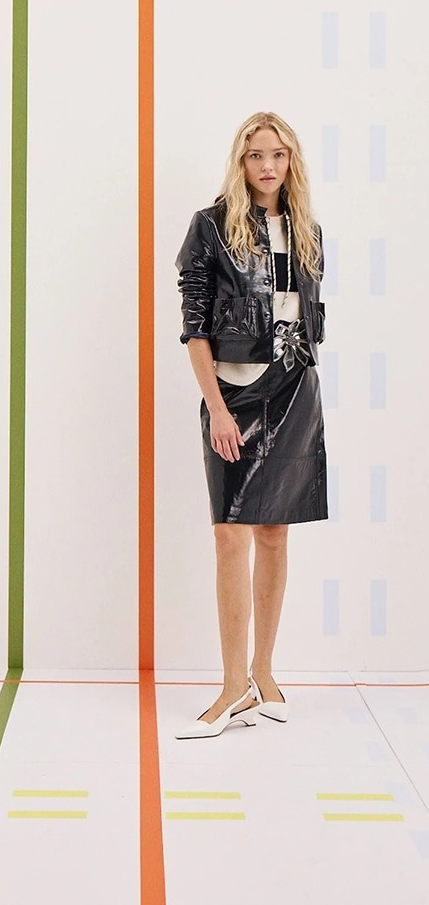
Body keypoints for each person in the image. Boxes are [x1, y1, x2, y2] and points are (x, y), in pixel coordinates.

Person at [173, 112, 328, 740]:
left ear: (292, 162)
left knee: (273, 534)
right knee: (228, 535)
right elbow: (195, 328)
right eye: (256, 155)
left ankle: (264, 675)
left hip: (294, 391)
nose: (267, 166)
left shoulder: (307, 230)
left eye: (278, 155)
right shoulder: (210, 227)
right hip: (233, 395)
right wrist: (215, 406)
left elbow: (304, 317)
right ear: (240, 162)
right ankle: (232, 683)